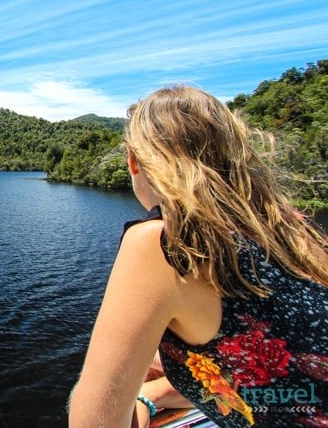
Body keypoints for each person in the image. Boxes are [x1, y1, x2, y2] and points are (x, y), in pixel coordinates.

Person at [68, 85, 328, 427]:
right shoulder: (292, 233)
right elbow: (274, 385)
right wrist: (161, 389)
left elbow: (93, 421)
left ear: (134, 161)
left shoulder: (165, 242)